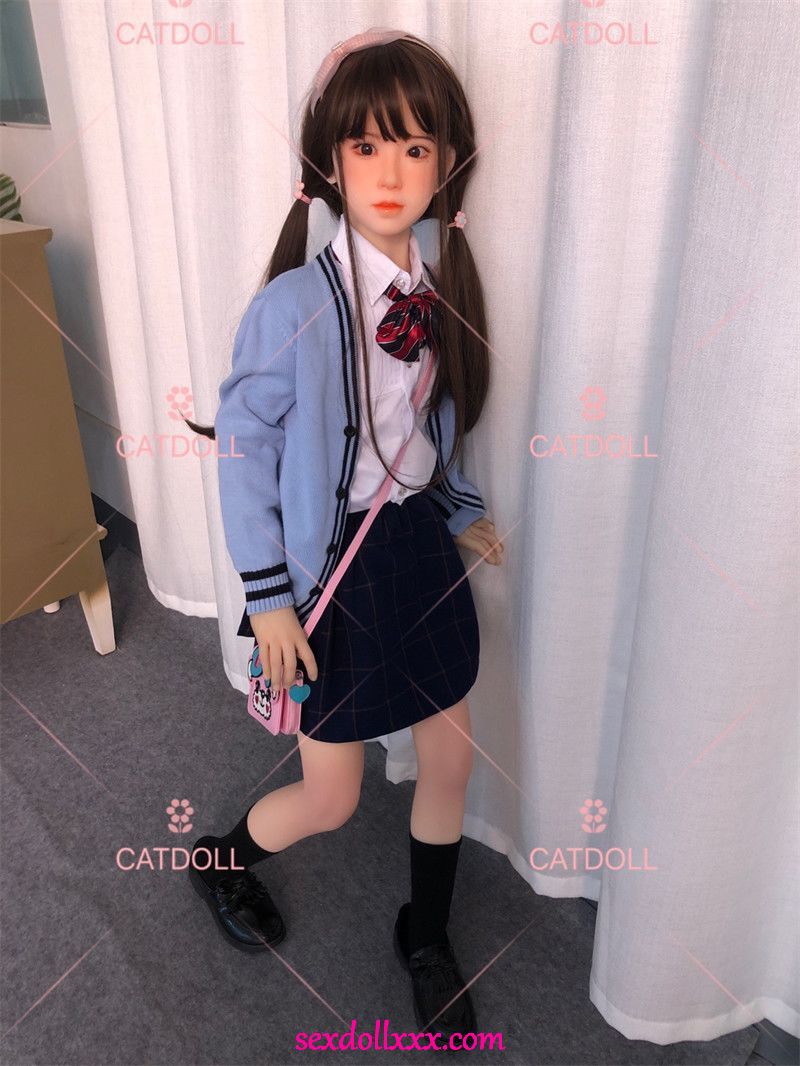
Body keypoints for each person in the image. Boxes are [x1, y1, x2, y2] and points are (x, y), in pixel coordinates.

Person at [186, 28, 504, 1040]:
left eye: (415, 147)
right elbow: (244, 451)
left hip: (416, 552)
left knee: (450, 760)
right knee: (331, 794)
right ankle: (218, 858)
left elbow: (425, 429)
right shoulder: (292, 306)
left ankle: (426, 934)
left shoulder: (435, 294)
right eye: (367, 146)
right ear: (331, 159)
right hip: (332, 573)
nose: (390, 172)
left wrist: (457, 511)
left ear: (445, 163)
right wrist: (269, 599)